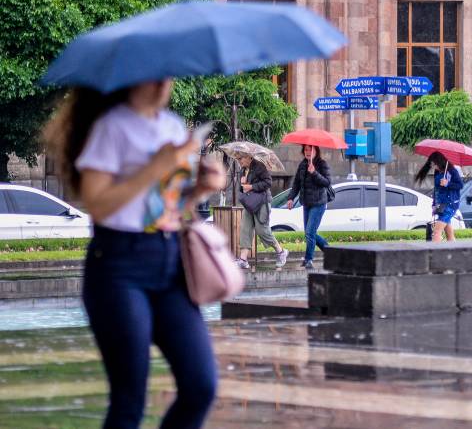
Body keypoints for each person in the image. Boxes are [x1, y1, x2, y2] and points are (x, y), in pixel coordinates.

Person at [43, 80, 223, 429]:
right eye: (154, 76)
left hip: (170, 262)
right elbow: (97, 203)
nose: (162, 85)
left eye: (168, 76)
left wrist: (200, 189)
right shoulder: (112, 127)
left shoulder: (171, 126)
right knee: (130, 399)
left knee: (200, 385)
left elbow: (163, 206)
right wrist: (156, 167)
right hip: (119, 264)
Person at [235, 154, 288, 269]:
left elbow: (268, 182)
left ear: (248, 157)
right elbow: (243, 188)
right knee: (245, 229)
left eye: (240, 158)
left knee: (262, 230)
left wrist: (252, 186)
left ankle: (281, 252)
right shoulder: (242, 170)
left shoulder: (259, 166)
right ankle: (243, 260)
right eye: (237, 159)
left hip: (262, 203)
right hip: (249, 203)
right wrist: (242, 184)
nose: (239, 161)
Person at [287, 145, 330, 269]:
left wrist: (314, 172)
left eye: (310, 149)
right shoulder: (302, 165)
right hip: (306, 203)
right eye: (306, 150)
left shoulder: (322, 164)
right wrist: (290, 198)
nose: (308, 152)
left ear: (316, 150)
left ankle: (308, 259)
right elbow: (296, 184)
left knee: (310, 232)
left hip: (318, 203)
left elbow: (327, 182)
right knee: (309, 233)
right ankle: (330, 250)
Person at [415, 152, 463, 242]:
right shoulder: (437, 171)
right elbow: (436, 189)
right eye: (432, 164)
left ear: (440, 162)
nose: (434, 166)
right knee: (449, 234)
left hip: (450, 205)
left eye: (435, 164)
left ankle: (434, 254)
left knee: (436, 231)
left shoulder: (452, 171)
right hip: (440, 204)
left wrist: (447, 184)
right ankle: (455, 251)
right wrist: (434, 204)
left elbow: (460, 185)